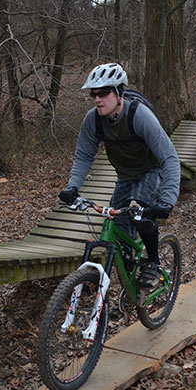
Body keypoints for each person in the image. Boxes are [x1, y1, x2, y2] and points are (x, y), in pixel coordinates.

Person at [59, 63, 180, 288]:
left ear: (119, 93)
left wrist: (167, 200)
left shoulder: (138, 115)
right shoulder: (93, 120)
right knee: (118, 225)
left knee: (140, 213)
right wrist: (72, 187)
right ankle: (129, 287)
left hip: (151, 170)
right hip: (124, 175)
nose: (97, 99)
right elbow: (84, 156)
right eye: (93, 94)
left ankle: (153, 262)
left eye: (103, 93)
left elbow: (169, 157)